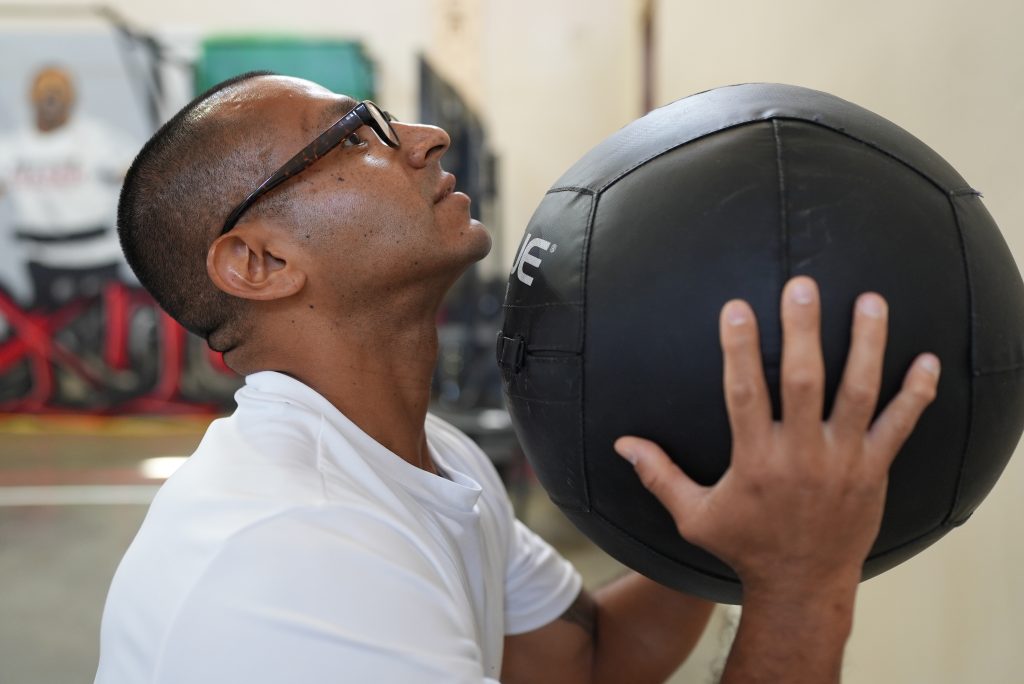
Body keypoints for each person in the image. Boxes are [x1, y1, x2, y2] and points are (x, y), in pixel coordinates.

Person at [95, 71, 940, 683]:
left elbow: (587, 661)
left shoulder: (431, 459)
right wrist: (798, 586)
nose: (427, 139)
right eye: (357, 135)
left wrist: (728, 500)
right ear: (260, 260)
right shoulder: (294, 558)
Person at [0, 66, 137, 311]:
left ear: (71, 97)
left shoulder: (95, 138)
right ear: (32, 97)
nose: (51, 98)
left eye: (58, 91)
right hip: (41, 260)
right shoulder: (12, 148)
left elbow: (139, 170)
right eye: (45, 91)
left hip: (95, 258)